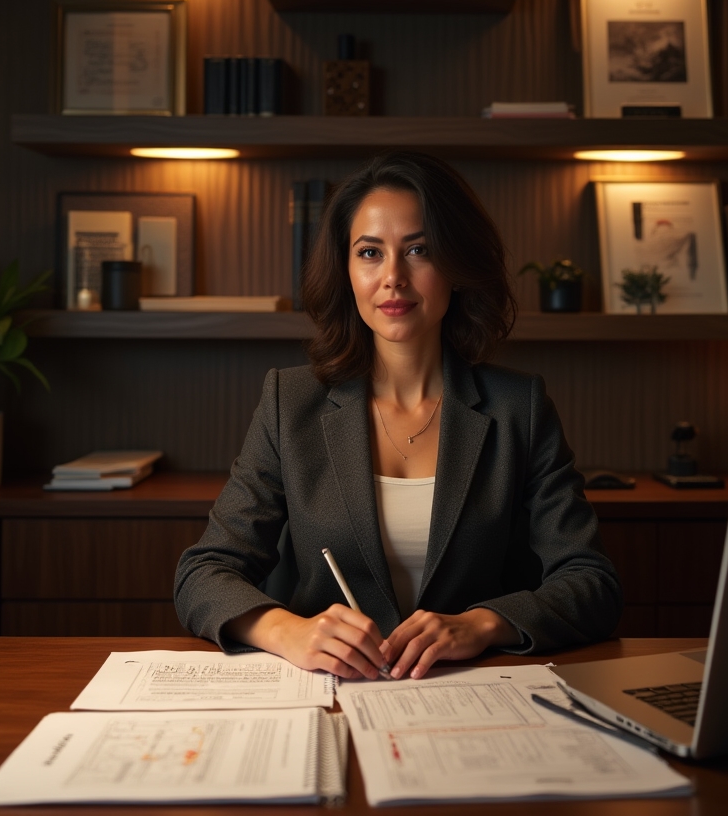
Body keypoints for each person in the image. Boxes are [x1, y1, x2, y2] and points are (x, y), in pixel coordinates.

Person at [175, 151, 621, 680]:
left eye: (418, 250)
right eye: (370, 252)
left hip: (472, 693)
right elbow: (204, 573)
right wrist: (288, 631)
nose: (393, 277)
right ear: (345, 271)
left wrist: (481, 625)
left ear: (456, 265)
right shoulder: (290, 402)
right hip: (331, 691)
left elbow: (591, 582)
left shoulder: (517, 406)